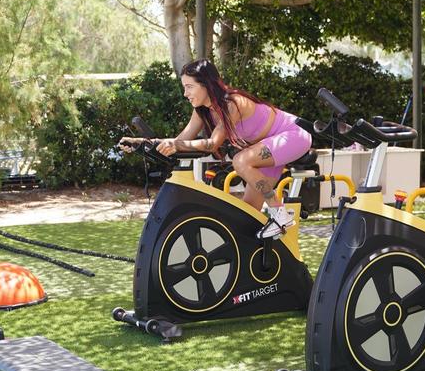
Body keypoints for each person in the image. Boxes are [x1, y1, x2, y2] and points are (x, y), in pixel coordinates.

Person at [123, 59, 312, 239]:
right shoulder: (202, 110)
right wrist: (141, 143)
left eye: (189, 87)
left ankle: (280, 213)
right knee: (247, 217)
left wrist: (177, 145)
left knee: (241, 160)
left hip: (293, 135)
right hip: (267, 147)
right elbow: (180, 140)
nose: (185, 94)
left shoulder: (232, 103)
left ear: (206, 84)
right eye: (184, 87)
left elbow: (212, 144)